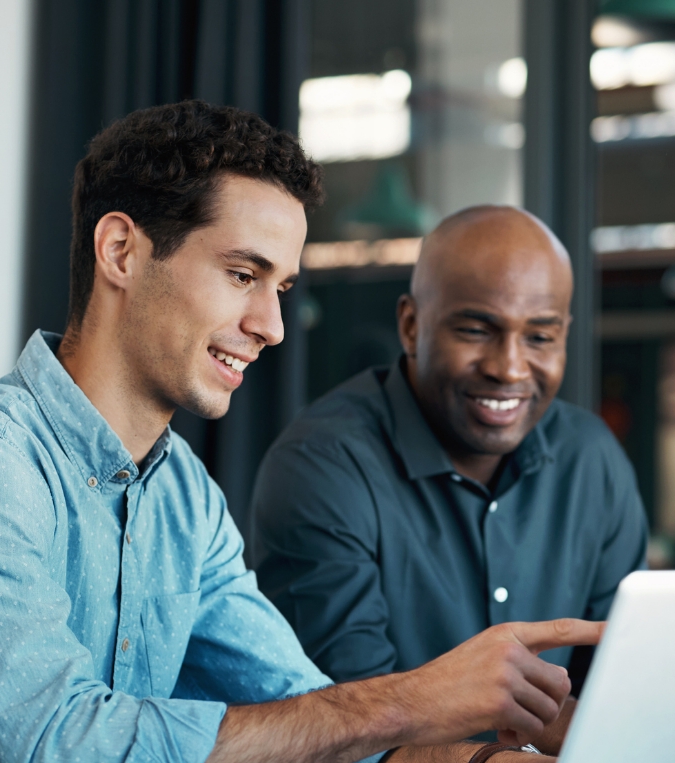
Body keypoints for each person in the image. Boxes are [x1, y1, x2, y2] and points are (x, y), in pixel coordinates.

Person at [0, 103, 601, 763]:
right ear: (121, 250)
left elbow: (301, 722)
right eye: (242, 275)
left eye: (281, 287)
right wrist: (409, 698)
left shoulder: (182, 494)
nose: (272, 325)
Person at [249, 206, 646, 704]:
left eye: (540, 337)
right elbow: (348, 720)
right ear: (412, 326)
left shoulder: (591, 458)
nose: (509, 368)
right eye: (477, 331)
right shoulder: (322, 464)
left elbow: (623, 680)